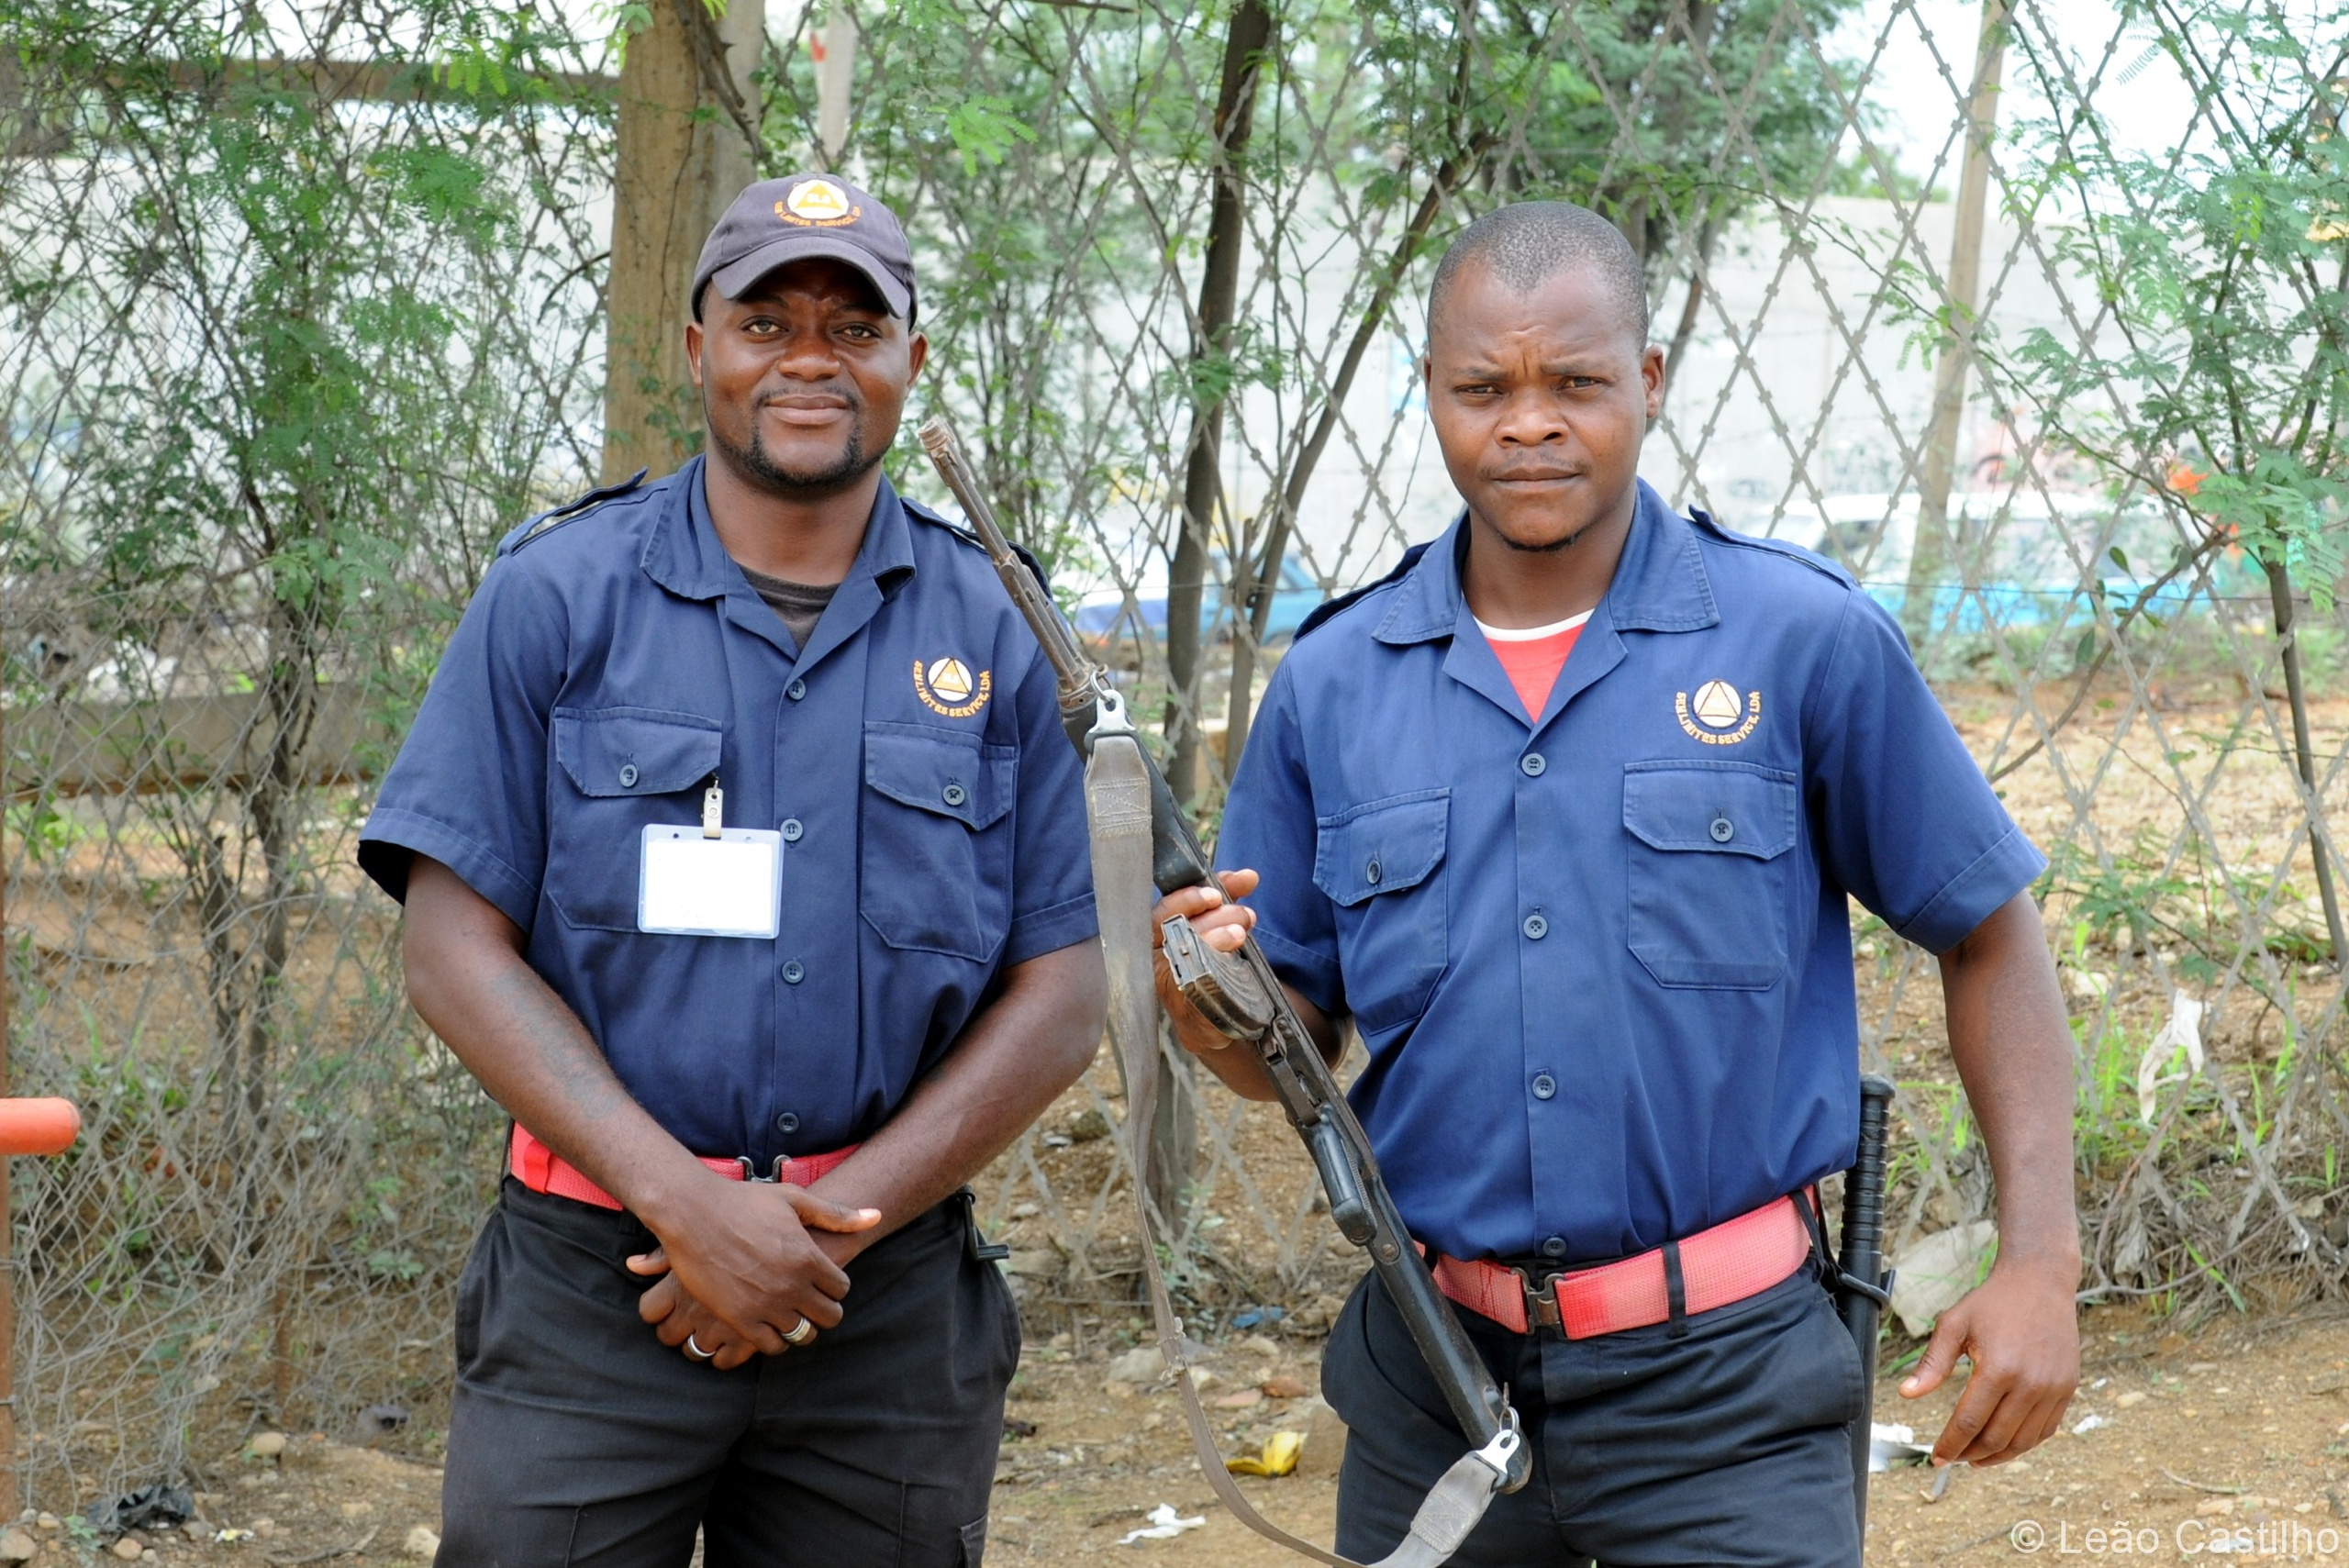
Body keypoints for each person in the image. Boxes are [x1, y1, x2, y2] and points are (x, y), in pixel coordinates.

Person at [1153, 202, 2078, 1567]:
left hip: (1733, 1400)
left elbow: (1989, 933)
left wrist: (2042, 1260)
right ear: (1432, 392)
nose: (1529, 423)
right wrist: (1209, 1004)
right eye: (1484, 388)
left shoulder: (1799, 639)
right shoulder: (1335, 683)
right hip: (1434, 1383)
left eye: (1575, 382)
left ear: (1646, 380)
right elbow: (1286, 1041)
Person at [357, 172, 1106, 1568]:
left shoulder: (1002, 626)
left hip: (879, 1308)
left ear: (910, 360)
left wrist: (822, 1232)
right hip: (594, 1293)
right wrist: (687, 1205)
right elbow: (450, 950)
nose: (810, 359)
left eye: (854, 328)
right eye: (768, 323)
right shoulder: (556, 597)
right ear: (699, 346)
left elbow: (1062, 992)